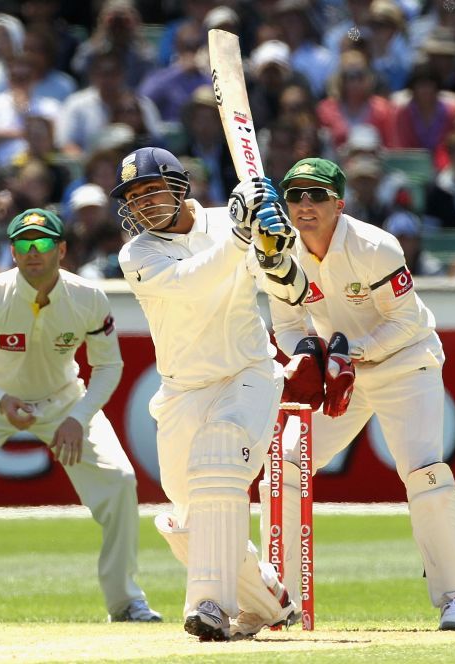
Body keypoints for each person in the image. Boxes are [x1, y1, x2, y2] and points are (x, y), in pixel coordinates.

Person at [0, 207, 161, 624]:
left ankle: (125, 602)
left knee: (120, 481)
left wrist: (80, 417)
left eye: (43, 243)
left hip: (65, 400)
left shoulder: (88, 297)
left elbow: (109, 366)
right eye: (23, 244)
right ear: (13, 252)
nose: (33, 252)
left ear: (62, 249)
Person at [267, 157, 455, 632]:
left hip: (405, 362)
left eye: (316, 195)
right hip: (343, 371)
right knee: (286, 464)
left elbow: (405, 322)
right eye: (295, 194)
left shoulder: (375, 246)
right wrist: (312, 358)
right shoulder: (279, 254)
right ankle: (280, 598)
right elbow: (286, 324)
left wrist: (349, 353)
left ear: (338, 203)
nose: (304, 204)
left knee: (424, 473)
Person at [109, 147, 308, 641]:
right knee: (187, 522)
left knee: (219, 464)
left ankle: (209, 607)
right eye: (133, 197)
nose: (143, 204)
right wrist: (242, 238)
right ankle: (269, 601)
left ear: (180, 186)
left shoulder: (230, 221)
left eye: (151, 190)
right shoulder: (137, 254)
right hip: (183, 389)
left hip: (247, 372)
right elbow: (190, 285)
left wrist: (277, 251)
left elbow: (292, 288)